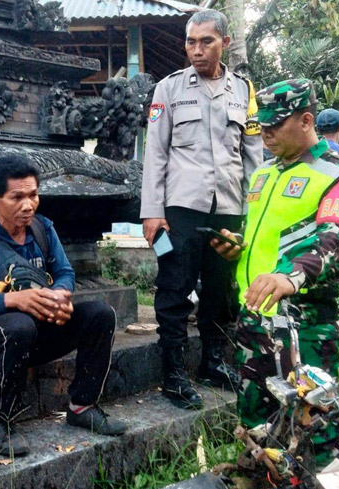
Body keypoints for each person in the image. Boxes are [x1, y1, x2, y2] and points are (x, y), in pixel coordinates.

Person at [210, 78, 339, 469]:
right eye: (259, 127)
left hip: (306, 324)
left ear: (306, 120)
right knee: (256, 421)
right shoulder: (263, 173)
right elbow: (267, 235)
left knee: (316, 426)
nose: (264, 135)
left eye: (274, 126)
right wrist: (238, 246)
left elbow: (333, 239)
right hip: (255, 317)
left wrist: (292, 276)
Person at [0, 155, 126, 457]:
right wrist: (12, 299)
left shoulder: (43, 229)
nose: (28, 205)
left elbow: (66, 273)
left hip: (35, 334)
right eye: (17, 197)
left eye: (33, 195)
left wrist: (59, 295)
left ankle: (82, 405)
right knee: (19, 325)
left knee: (100, 314)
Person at [141, 9, 263, 409]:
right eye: (191, 42)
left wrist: (253, 216)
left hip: (227, 208)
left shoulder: (244, 92)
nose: (196, 50)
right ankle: (173, 375)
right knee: (174, 288)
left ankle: (213, 362)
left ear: (225, 43)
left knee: (222, 290)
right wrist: (151, 213)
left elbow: (254, 159)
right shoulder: (169, 89)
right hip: (181, 209)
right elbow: (155, 154)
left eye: (206, 41)